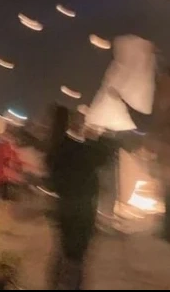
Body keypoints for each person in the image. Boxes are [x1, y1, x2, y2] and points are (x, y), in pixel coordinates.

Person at [47, 105, 111, 290]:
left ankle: (59, 284)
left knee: (67, 254)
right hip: (78, 210)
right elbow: (101, 158)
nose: (82, 123)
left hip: (71, 208)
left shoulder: (64, 146)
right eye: (80, 120)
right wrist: (96, 138)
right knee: (74, 256)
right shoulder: (76, 148)